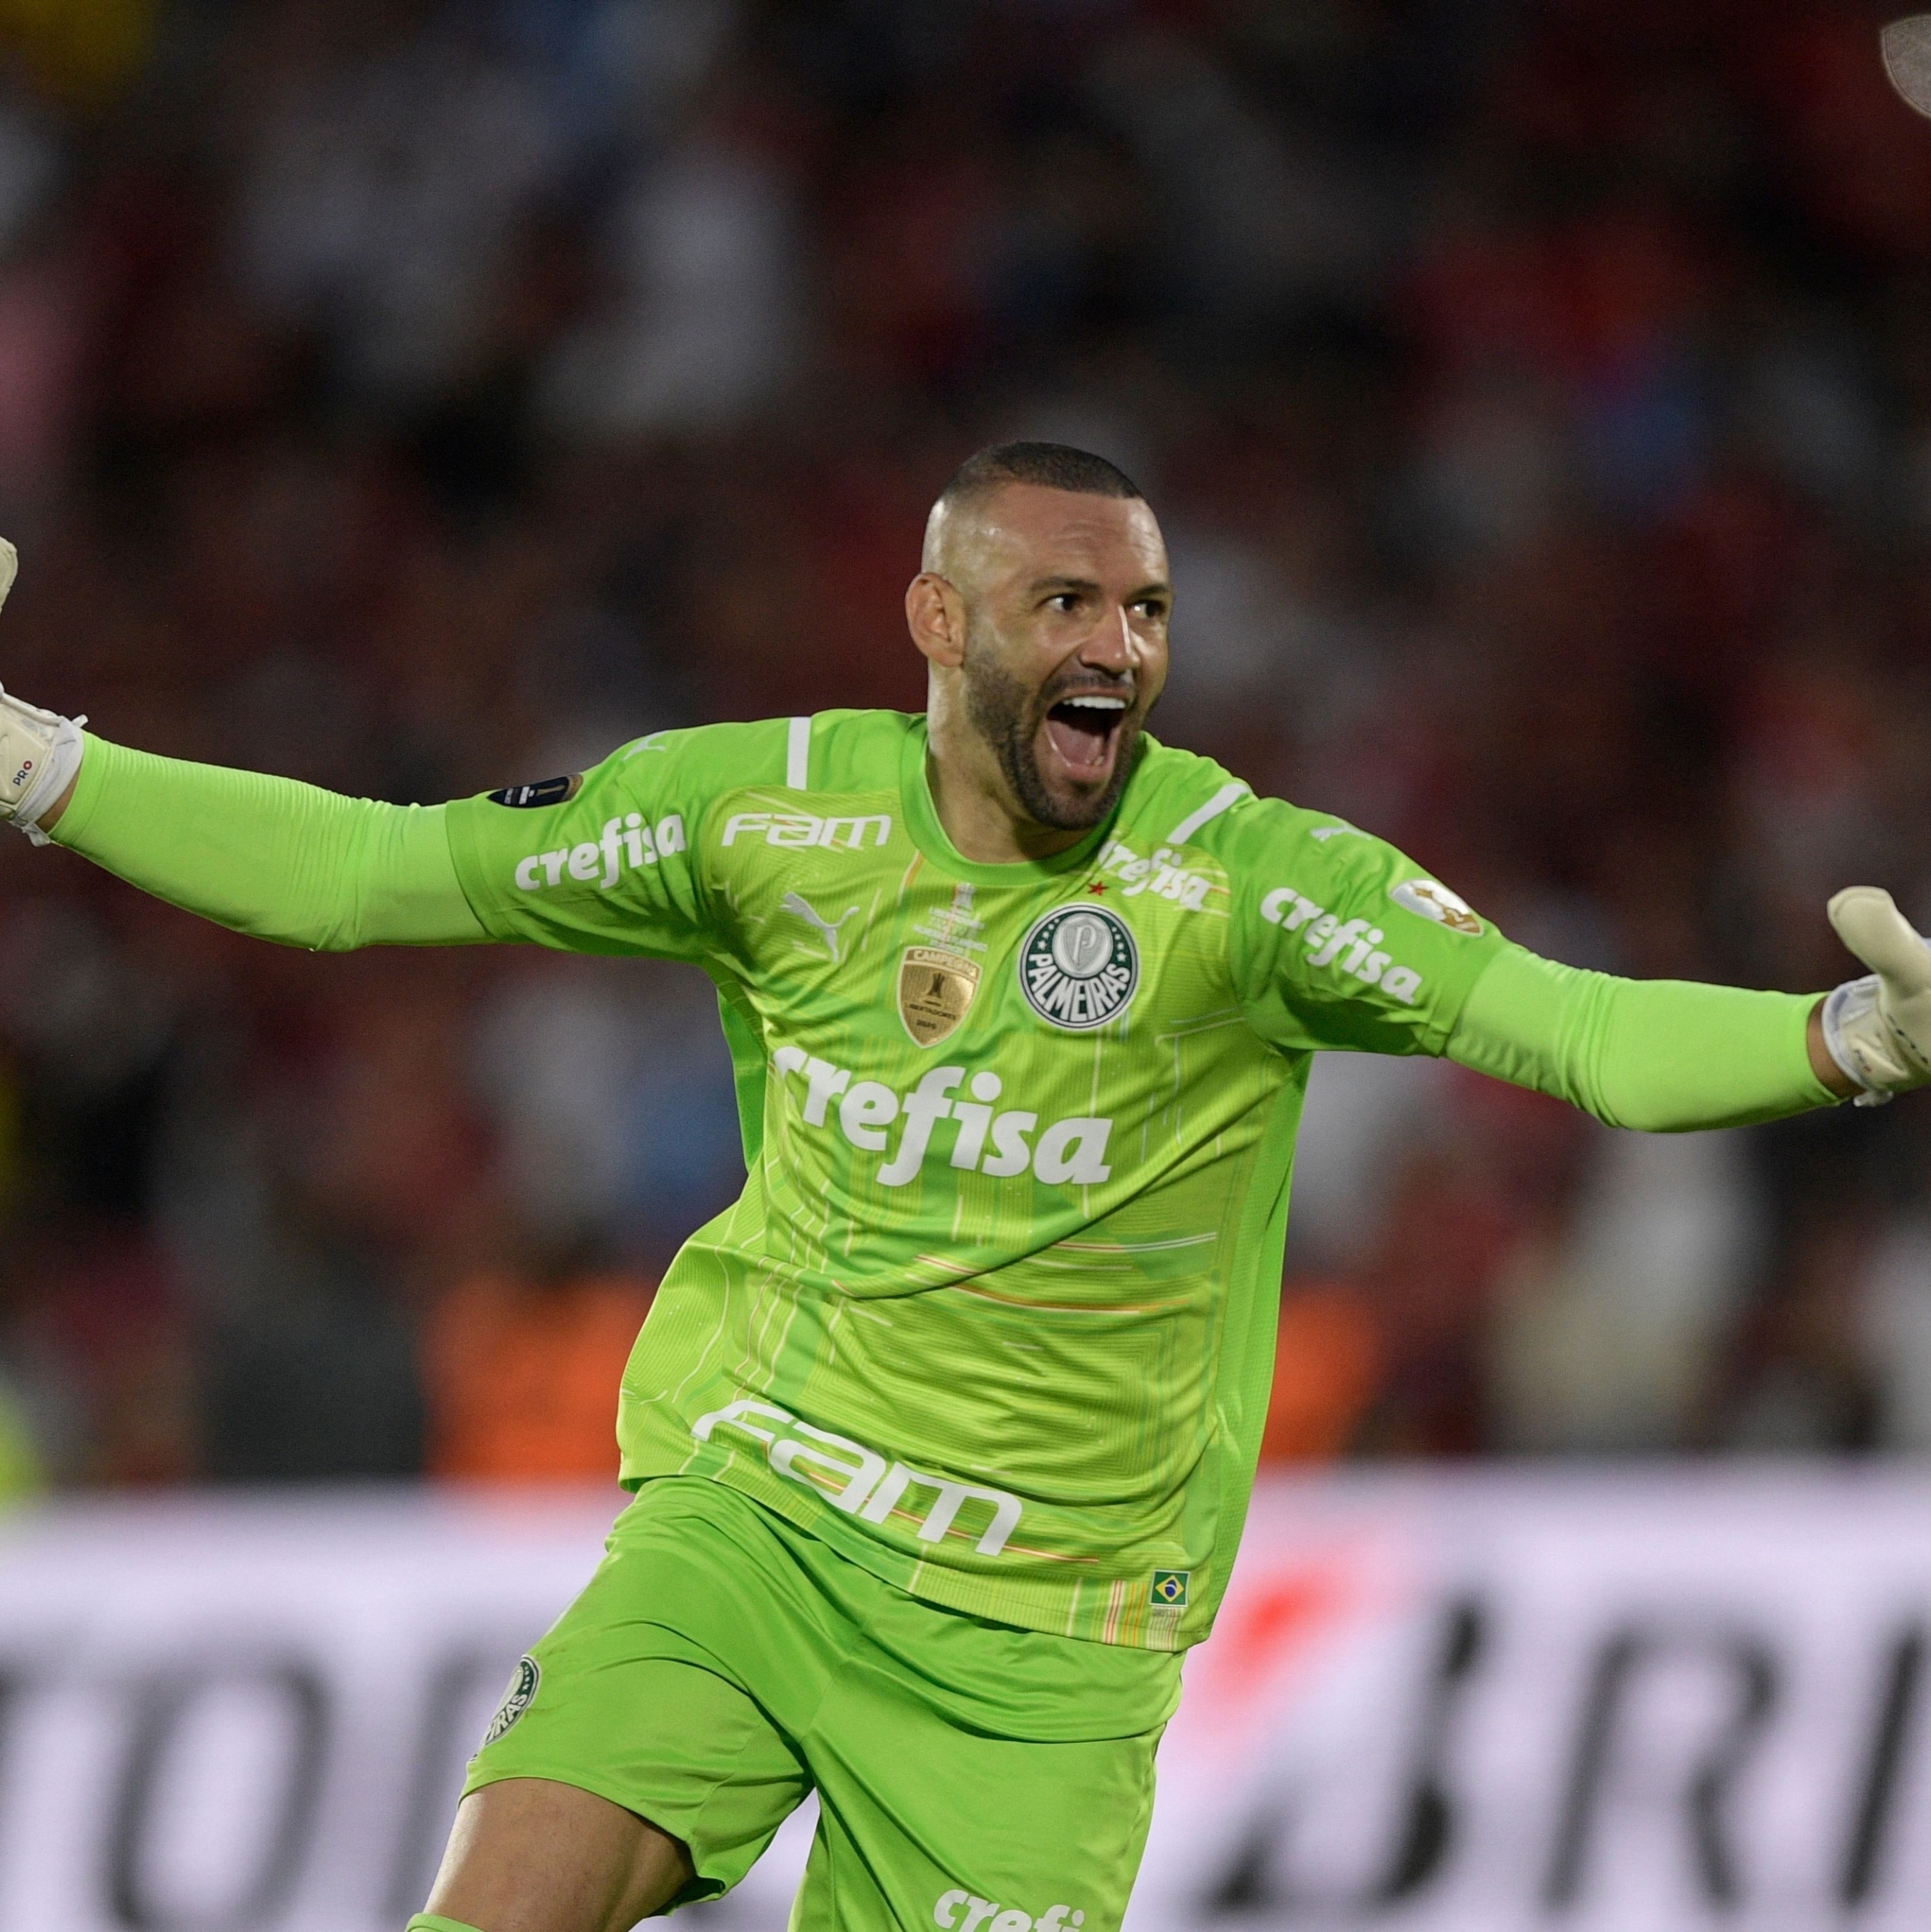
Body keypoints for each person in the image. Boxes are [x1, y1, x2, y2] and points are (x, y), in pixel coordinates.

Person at [1, 440, 1927, 1932]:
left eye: (1150, 609)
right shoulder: (762, 818)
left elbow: (1572, 1028)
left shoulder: (1250, 887)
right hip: (757, 1527)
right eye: (1067, 601)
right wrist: (39, 765)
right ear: (938, 618)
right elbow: (365, 873)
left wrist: (1838, 1039)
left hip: (1046, 1645)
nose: (1119, 650)